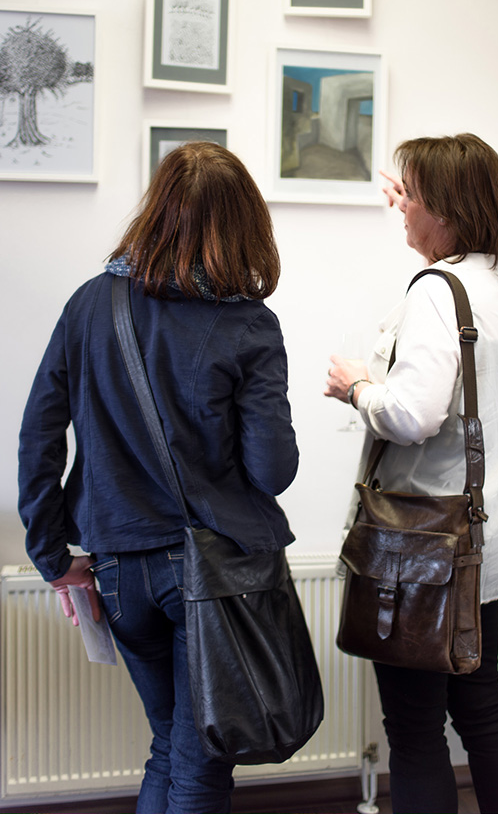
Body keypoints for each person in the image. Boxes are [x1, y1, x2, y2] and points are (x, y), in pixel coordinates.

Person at [18, 141, 299, 814]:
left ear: (158, 210)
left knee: (171, 745)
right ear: (246, 225)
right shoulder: (248, 324)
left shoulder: (91, 304)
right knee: (201, 767)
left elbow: (38, 436)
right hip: (212, 576)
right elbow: (272, 470)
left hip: (117, 568)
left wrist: (52, 556)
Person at [325, 133, 498, 814]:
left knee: (414, 730)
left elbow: (413, 416)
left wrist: (358, 387)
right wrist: (417, 194)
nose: (401, 208)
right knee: (480, 703)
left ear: (444, 209)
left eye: (410, 197)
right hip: (480, 532)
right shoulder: (497, 283)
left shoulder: (436, 293)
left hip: (421, 544)